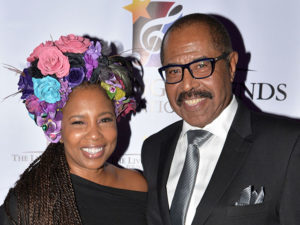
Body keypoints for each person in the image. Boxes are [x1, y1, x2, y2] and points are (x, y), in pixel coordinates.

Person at [141, 13, 300, 225]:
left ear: (231, 66)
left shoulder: (288, 145)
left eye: (201, 66)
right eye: (174, 71)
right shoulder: (153, 148)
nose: (187, 85)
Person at [0, 34, 148, 225]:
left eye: (104, 120)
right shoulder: (30, 202)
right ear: (58, 130)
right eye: (79, 122)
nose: (94, 134)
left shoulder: (139, 185)